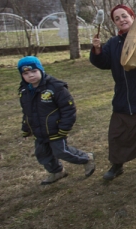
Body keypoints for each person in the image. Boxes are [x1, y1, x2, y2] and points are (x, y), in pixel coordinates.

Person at [90, 4, 136, 180]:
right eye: (117, 18)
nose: (121, 20)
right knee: (118, 132)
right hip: (124, 96)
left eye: (124, 16)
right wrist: (98, 50)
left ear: (133, 17)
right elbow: (103, 62)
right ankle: (117, 165)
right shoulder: (113, 43)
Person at [18, 56, 95, 185]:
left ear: (41, 70)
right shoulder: (24, 91)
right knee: (42, 154)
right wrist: (26, 128)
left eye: (34, 71)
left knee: (61, 152)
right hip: (39, 131)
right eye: (25, 73)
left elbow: (68, 109)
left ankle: (86, 158)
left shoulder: (55, 87)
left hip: (56, 129)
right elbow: (27, 112)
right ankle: (57, 171)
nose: (30, 76)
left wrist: (64, 127)